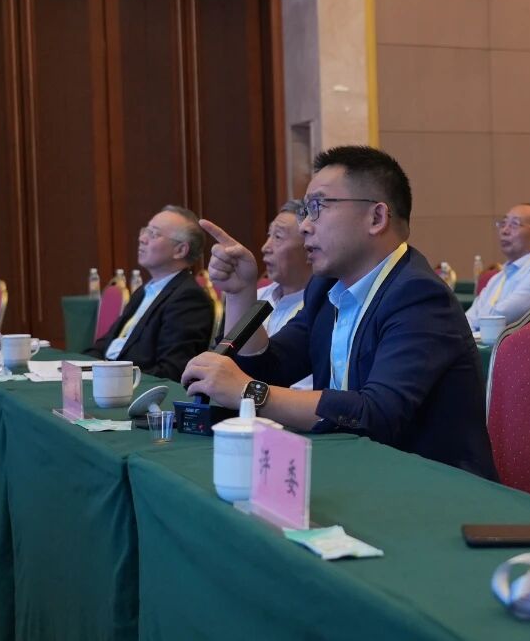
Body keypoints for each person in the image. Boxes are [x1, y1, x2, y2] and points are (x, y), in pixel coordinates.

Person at [180, 146, 497, 479]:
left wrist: (250, 393)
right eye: (305, 211)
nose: (305, 225)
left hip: (433, 485)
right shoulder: (326, 290)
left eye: (318, 207)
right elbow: (269, 368)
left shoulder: (418, 296)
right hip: (354, 470)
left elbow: (376, 414)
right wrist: (240, 292)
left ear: (376, 218)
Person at [87, 205, 214, 382]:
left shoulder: (189, 299)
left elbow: (171, 371)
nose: (142, 238)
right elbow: (107, 344)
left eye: (154, 234)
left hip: (133, 387)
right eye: (145, 231)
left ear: (180, 250)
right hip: (108, 378)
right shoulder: (145, 290)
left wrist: (113, 379)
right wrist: (79, 364)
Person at [465, 204, 530, 330]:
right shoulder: (499, 277)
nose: (504, 231)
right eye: (503, 223)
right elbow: (469, 317)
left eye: (514, 224)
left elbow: (500, 317)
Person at [257, 200, 311, 336]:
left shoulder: (320, 308)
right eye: (269, 235)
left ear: (309, 248)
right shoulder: (258, 297)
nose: (265, 248)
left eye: (278, 237)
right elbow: (228, 347)